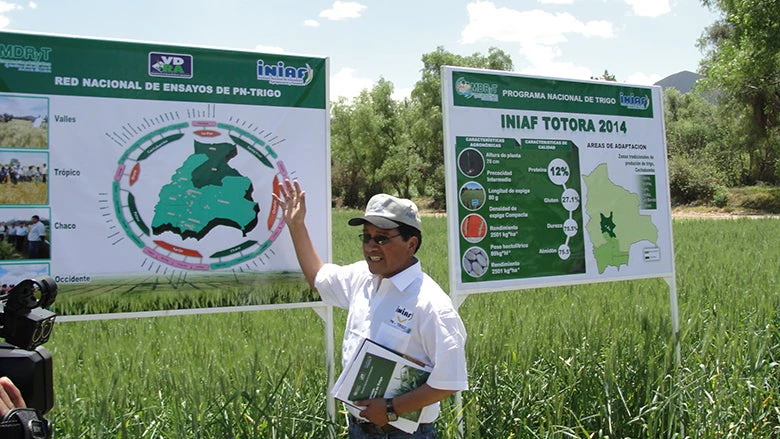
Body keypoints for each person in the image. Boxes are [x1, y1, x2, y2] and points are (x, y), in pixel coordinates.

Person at [275, 179, 468, 438]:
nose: (370, 247)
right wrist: (296, 225)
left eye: (382, 239)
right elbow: (318, 278)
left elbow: (449, 381)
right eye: (366, 238)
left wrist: (390, 408)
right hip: (359, 428)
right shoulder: (361, 278)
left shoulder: (431, 304)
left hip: (403, 432)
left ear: (411, 243)